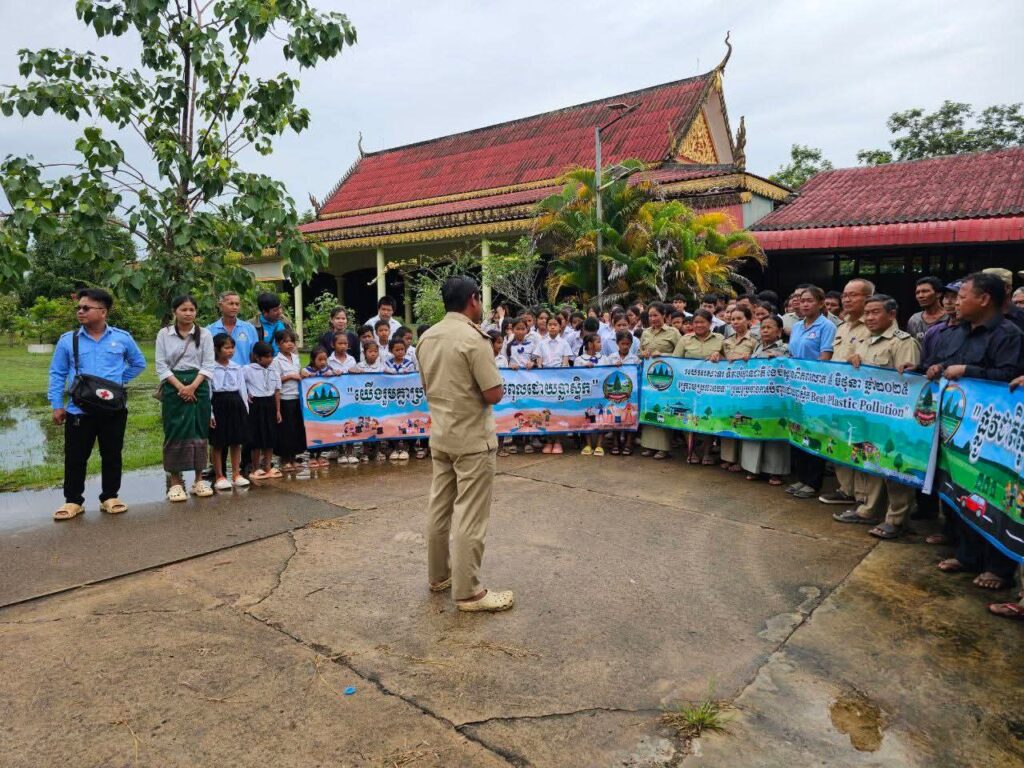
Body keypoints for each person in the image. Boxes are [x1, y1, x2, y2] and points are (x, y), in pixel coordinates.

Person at [418, 275, 512, 613]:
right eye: (480, 299)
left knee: (439, 508)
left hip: (442, 435)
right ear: (473, 299)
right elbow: (493, 393)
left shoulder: (426, 338)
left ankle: (439, 576)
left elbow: (427, 387)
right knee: (471, 516)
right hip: (472, 439)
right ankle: (469, 592)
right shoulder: (474, 339)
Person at [929, 273, 1023, 590]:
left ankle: (998, 568)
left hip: (993, 436)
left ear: (984, 299)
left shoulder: (1008, 335)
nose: (956, 302)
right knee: (963, 493)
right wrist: (936, 368)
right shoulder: (957, 333)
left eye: (963, 296)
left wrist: (969, 371)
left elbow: (1009, 377)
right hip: (958, 431)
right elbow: (944, 363)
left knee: (993, 498)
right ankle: (967, 556)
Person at [48, 288, 147, 521]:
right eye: (79, 308)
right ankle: (73, 501)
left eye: (86, 308)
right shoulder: (68, 340)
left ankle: (110, 497)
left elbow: (138, 363)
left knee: (112, 454)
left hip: (113, 410)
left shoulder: (122, 338)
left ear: (103, 312)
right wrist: (57, 405)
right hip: (79, 409)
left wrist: (117, 382)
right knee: (75, 456)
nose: (80, 311)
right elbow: (57, 373)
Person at [831, 295, 920, 539]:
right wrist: (853, 359)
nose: (869, 318)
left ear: (891, 315)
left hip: (894, 417)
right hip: (867, 414)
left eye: (875, 312)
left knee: (895, 468)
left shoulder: (903, 342)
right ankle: (869, 509)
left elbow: (909, 385)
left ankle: (897, 519)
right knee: (870, 462)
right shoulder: (865, 341)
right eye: (867, 313)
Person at [818, 279, 875, 507]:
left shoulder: (873, 325)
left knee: (858, 443)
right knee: (840, 440)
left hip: (860, 398)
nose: (847, 299)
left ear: (868, 298)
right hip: (837, 395)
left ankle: (862, 496)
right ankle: (845, 489)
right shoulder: (841, 327)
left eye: (853, 295)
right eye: (845, 295)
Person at [156, 295, 216, 502]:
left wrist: (192, 387)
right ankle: (175, 482)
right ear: (175, 312)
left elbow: (208, 365)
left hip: (199, 386)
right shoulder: (164, 334)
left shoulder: (205, 334)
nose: (188, 313)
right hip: (174, 387)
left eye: (192, 309)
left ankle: (199, 480)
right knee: (175, 430)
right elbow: (161, 366)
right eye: (183, 309)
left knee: (199, 430)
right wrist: (181, 387)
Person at [786, 286, 836, 499]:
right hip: (795, 387)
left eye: (809, 300)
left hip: (815, 388)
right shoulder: (797, 326)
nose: (804, 304)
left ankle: (813, 482)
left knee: (814, 432)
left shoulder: (827, 326)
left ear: (821, 303)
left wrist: (811, 377)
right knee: (797, 430)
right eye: (802, 300)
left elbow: (825, 356)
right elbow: (791, 354)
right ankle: (802, 478)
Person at [740, 314, 790, 485]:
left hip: (775, 399)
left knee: (774, 431)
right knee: (753, 429)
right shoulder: (757, 346)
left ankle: (775, 472)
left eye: (769, 327)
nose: (765, 330)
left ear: (779, 331)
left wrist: (778, 359)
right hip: (755, 397)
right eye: (763, 327)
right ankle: (752, 469)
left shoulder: (785, 348)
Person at [709, 306, 757, 472]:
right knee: (728, 419)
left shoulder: (754, 341)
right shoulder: (727, 341)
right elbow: (721, 358)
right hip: (728, 388)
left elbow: (760, 361)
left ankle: (742, 461)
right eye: (733, 319)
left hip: (746, 388)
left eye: (739, 319)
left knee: (743, 421)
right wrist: (716, 355)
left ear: (749, 320)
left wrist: (750, 358)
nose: (735, 322)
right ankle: (728, 458)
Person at [675, 309, 724, 464]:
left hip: (711, 387)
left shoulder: (720, 339)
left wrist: (720, 356)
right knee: (687, 417)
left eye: (702, 322)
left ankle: (707, 453)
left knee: (709, 417)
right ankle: (692, 452)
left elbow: (728, 361)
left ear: (710, 323)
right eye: (695, 322)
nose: (698, 325)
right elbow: (675, 361)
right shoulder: (685, 340)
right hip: (688, 387)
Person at [638, 302, 683, 460]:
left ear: (664, 315)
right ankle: (649, 446)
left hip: (667, 379)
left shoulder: (673, 332)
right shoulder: (645, 333)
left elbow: (680, 355)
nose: (653, 318)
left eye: (656, 315)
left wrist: (663, 355)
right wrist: (643, 354)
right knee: (649, 408)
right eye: (650, 316)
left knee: (663, 409)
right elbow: (639, 353)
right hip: (648, 379)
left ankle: (663, 448)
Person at [209, 333, 251, 489]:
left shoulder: (236, 367)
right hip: (218, 404)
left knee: (236, 441)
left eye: (232, 347)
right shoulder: (210, 368)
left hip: (235, 404)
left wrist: (245, 409)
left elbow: (242, 389)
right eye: (226, 348)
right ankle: (219, 475)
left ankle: (236, 474)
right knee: (218, 442)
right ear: (216, 349)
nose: (230, 351)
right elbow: (208, 392)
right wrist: (210, 413)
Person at [243, 341, 282, 480]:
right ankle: (255, 468)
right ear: (257, 357)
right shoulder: (247, 369)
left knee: (270, 436)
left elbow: (277, 391)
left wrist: (278, 410)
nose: (270, 359)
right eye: (266, 356)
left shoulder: (274, 371)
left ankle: (267, 466)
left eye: (271, 356)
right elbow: (240, 384)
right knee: (256, 438)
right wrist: (246, 394)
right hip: (256, 405)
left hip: (270, 404)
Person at [271, 328, 306, 473]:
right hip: (285, 398)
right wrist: (290, 376)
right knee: (286, 430)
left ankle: (294, 458)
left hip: (297, 397)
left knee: (296, 428)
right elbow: (274, 381)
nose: (289, 344)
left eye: (292, 341)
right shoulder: (276, 361)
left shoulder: (295, 358)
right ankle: (285, 459)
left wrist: (302, 374)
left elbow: (299, 373)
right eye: (285, 342)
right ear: (278, 344)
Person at [536, 316, 572, 454]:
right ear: (546, 326)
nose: (552, 327)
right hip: (545, 381)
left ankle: (558, 441)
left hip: (559, 381)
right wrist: (543, 376)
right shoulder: (541, 343)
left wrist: (559, 377)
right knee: (546, 411)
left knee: (558, 411)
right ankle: (548, 441)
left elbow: (565, 362)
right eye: (550, 324)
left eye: (555, 324)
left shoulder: (564, 343)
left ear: (560, 327)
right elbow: (539, 362)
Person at [384, 336, 419, 460]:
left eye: (402, 349)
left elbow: (412, 380)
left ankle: (408, 446)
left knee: (408, 420)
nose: (400, 352)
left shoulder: (409, 364)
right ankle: (394, 446)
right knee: (392, 420)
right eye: (397, 350)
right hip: (392, 399)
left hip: (406, 399)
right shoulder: (387, 364)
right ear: (391, 351)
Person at [302, 346, 336, 468]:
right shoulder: (307, 370)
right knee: (312, 429)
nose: (323, 362)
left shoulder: (328, 369)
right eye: (320, 359)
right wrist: (305, 375)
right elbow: (302, 374)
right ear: (313, 359)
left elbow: (336, 375)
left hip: (325, 406)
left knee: (323, 429)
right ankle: (311, 456)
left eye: (325, 359)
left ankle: (321, 455)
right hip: (311, 407)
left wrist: (335, 374)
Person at [574, 334, 606, 457]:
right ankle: (588, 444)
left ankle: (599, 444)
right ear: (590, 344)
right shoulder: (579, 359)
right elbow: (575, 375)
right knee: (586, 417)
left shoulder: (604, 358)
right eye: (598, 342)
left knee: (601, 417)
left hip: (601, 393)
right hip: (586, 394)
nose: (600, 344)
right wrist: (584, 368)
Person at [207, 291, 258, 365]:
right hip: (218, 371)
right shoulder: (209, 330)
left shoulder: (249, 328)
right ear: (220, 306)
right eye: (231, 304)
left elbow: (255, 355)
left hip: (244, 371)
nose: (234, 307)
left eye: (237, 304)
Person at [907, 277, 947, 343]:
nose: (920, 296)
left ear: (938, 294)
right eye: (917, 293)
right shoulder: (914, 320)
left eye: (925, 291)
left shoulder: (950, 317)